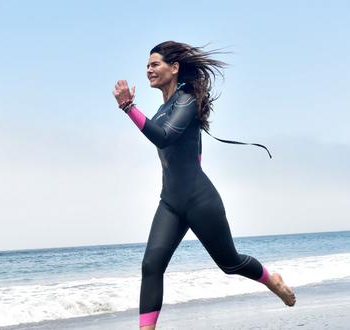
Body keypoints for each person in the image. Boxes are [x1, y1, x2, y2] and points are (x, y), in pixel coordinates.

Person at [112, 41, 296, 330]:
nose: (149, 69)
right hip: (170, 202)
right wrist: (132, 109)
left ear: (174, 68)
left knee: (230, 263)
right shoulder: (162, 109)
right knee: (151, 266)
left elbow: (164, 137)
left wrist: (128, 107)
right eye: (147, 65)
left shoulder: (186, 100)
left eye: (155, 64)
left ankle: (272, 280)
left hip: (199, 198)